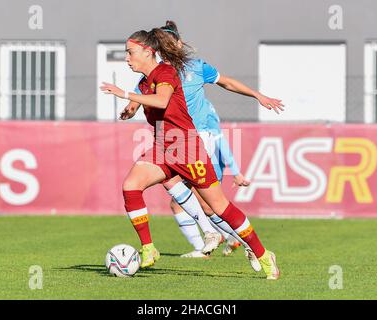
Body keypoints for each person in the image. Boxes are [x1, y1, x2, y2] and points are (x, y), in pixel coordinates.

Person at [100, 28, 280, 280]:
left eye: (130, 52)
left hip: (187, 148)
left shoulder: (166, 72)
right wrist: (131, 107)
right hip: (163, 148)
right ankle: (149, 248)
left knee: (218, 207)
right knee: (131, 186)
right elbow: (145, 100)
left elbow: (162, 101)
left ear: (147, 51)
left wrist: (126, 95)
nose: (127, 58)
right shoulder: (143, 82)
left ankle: (263, 254)